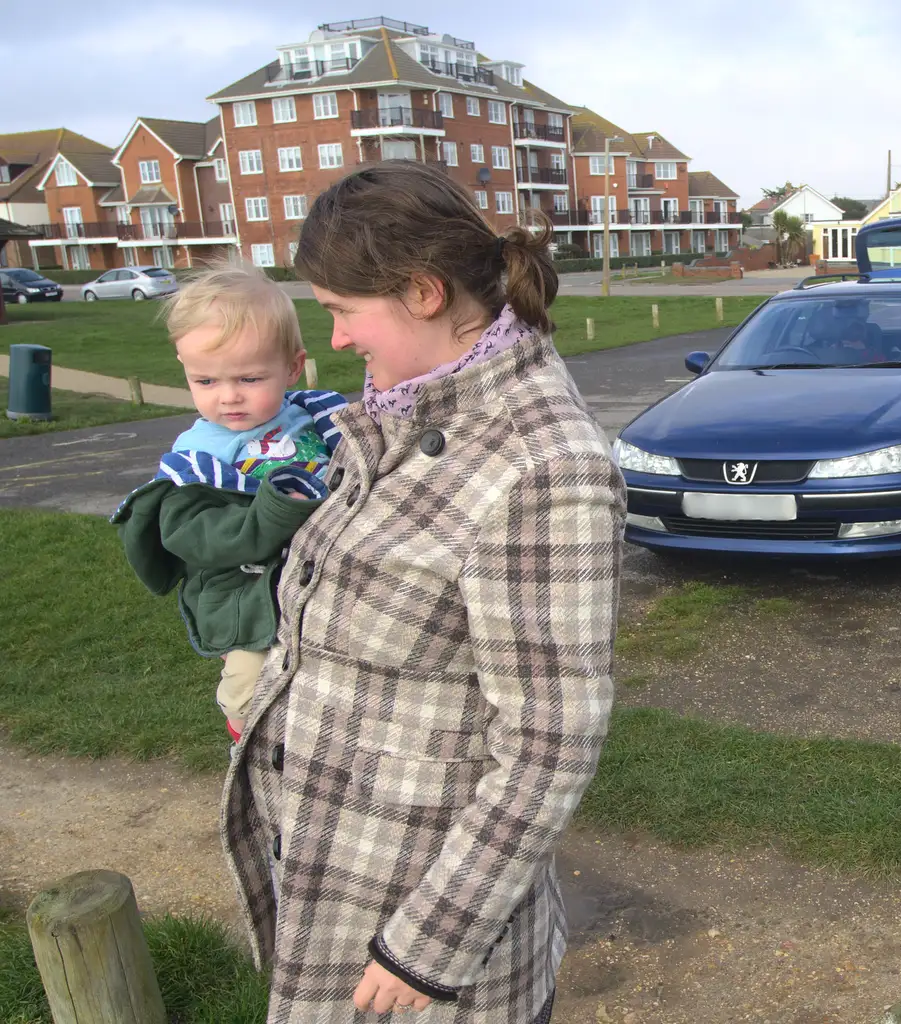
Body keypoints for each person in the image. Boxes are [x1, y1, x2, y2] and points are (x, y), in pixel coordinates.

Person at [221, 161, 624, 1023]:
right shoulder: (404, 408)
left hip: (416, 916)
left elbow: (551, 743)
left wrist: (428, 946)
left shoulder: (545, 465)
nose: (333, 341)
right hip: (345, 858)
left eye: (340, 311)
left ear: (423, 292)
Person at [112, 264, 346, 742]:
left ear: (293, 367)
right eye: (206, 382)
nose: (229, 397)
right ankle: (253, 752)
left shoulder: (316, 417)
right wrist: (276, 510)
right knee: (247, 687)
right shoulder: (196, 458)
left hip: (327, 581)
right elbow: (195, 539)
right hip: (247, 598)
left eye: (249, 378)